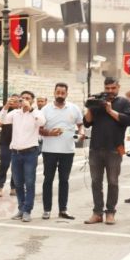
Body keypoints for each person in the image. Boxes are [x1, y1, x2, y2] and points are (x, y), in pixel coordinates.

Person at [83, 77, 130, 225]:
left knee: (113, 182)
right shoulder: (98, 100)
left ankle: (110, 212)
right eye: (107, 88)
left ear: (118, 87)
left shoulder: (124, 102)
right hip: (95, 148)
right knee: (95, 182)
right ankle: (97, 213)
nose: (110, 91)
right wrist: (90, 106)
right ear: (104, 88)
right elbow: (87, 122)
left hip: (115, 149)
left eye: (113, 88)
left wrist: (110, 111)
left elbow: (128, 121)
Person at [39, 83, 84, 220]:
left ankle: (63, 209)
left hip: (67, 151)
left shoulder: (74, 108)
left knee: (64, 180)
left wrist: (81, 133)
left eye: (62, 93)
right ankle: (47, 210)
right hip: (49, 151)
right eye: (58, 92)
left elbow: (80, 125)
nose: (60, 95)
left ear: (66, 93)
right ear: (54, 93)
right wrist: (49, 133)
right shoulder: (45, 110)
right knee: (48, 180)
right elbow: (39, 129)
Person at [0, 91, 45, 222]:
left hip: (30, 153)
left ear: (32, 101)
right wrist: (6, 106)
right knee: (18, 183)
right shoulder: (15, 113)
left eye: (27, 98)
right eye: (23, 98)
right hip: (16, 153)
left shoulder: (37, 113)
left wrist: (30, 110)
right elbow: (2, 120)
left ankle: (27, 210)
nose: (24, 100)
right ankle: (21, 208)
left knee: (29, 182)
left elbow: (42, 122)